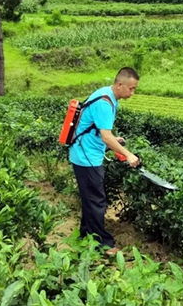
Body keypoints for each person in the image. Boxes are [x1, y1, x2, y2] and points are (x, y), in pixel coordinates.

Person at [69, 67, 140, 255]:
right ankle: (102, 244)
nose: (133, 93)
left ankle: (86, 235)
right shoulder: (105, 102)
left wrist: (113, 140)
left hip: (84, 152)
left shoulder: (106, 95)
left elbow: (98, 128)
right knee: (97, 201)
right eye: (131, 89)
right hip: (87, 157)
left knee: (90, 199)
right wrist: (129, 154)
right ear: (119, 85)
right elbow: (105, 136)